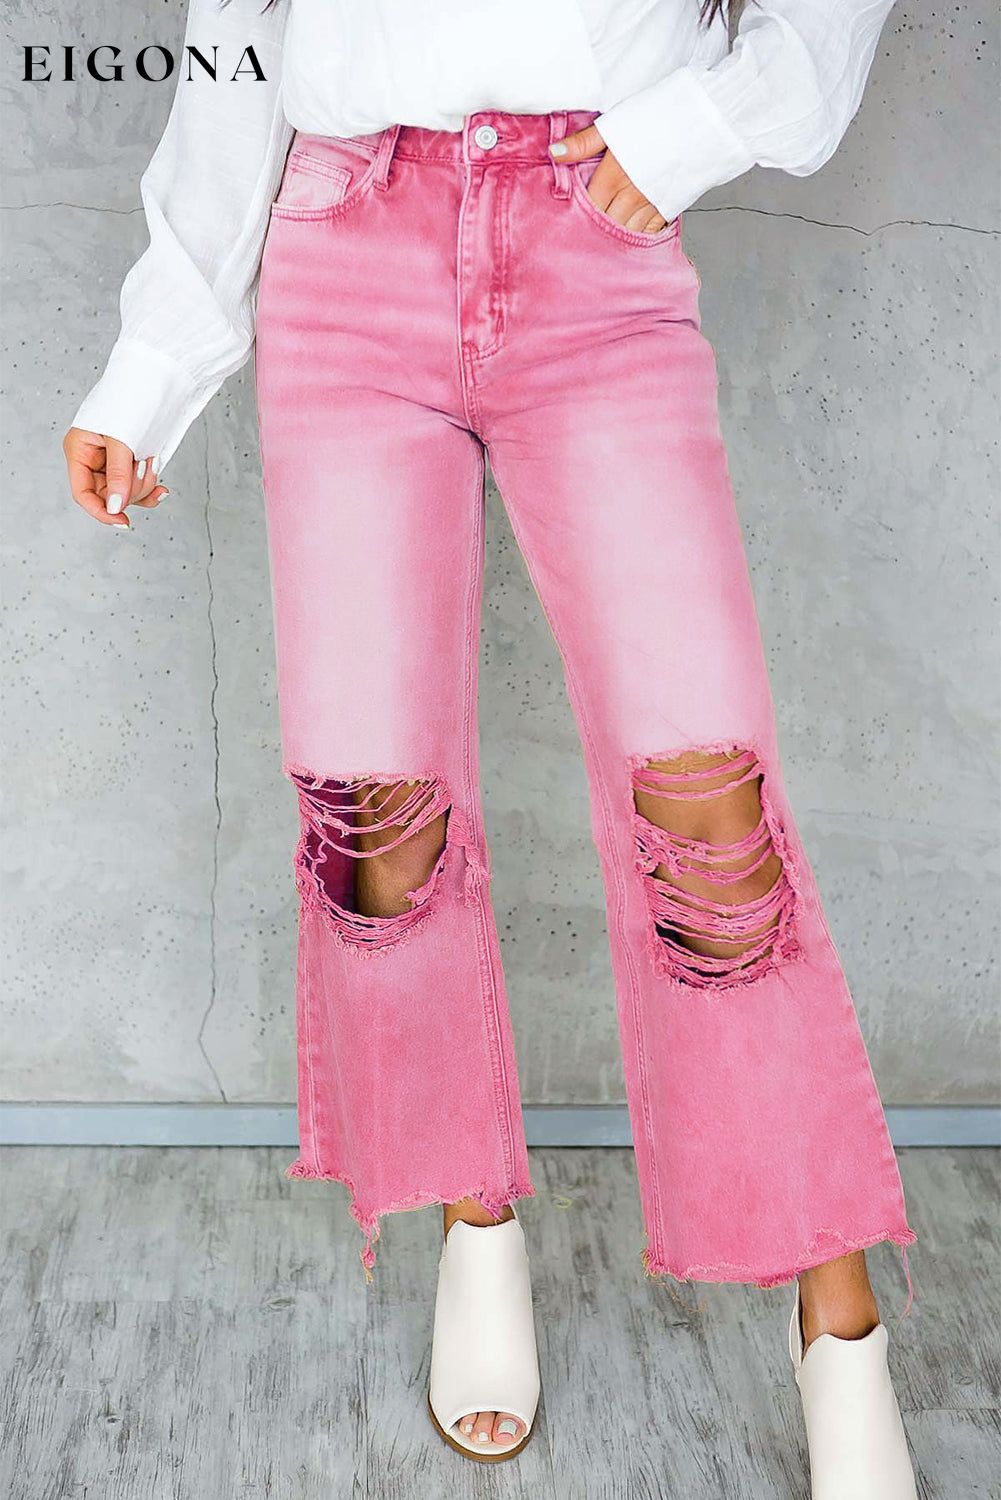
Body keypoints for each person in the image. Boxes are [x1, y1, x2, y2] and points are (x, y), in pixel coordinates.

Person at [63, 1, 919, 1491]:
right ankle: (473, 1219)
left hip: (592, 242)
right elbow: (236, 33)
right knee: (373, 809)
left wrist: (692, 130)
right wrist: (156, 356)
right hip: (344, 247)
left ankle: (838, 1320)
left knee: (708, 816)